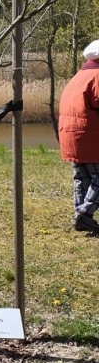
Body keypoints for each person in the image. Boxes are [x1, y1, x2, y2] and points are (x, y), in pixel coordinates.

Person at [58, 39, 99, 234]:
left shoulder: (79, 76)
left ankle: (81, 215)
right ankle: (84, 214)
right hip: (90, 136)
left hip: (70, 136)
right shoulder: (98, 76)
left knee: (81, 177)